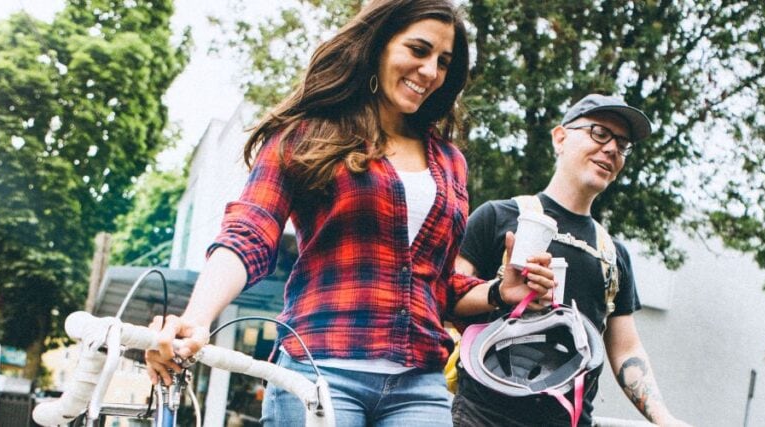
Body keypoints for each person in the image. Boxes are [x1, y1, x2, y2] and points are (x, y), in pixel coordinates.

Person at [143, 1, 556, 425]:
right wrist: (195, 318)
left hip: (420, 384)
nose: (431, 72)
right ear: (377, 45)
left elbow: (436, 283)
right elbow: (250, 229)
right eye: (418, 50)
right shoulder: (307, 134)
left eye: (444, 62)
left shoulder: (450, 162)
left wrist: (498, 292)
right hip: (320, 369)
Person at [450, 94, 691, 427]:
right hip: (484, 418)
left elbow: (626, 350)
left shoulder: (613, 255)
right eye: (599, 133)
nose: (611, 149)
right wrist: (499, 291)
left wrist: (664, 419)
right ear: (560, 137)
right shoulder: (498, 217)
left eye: (622, 144)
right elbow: (445, 299)